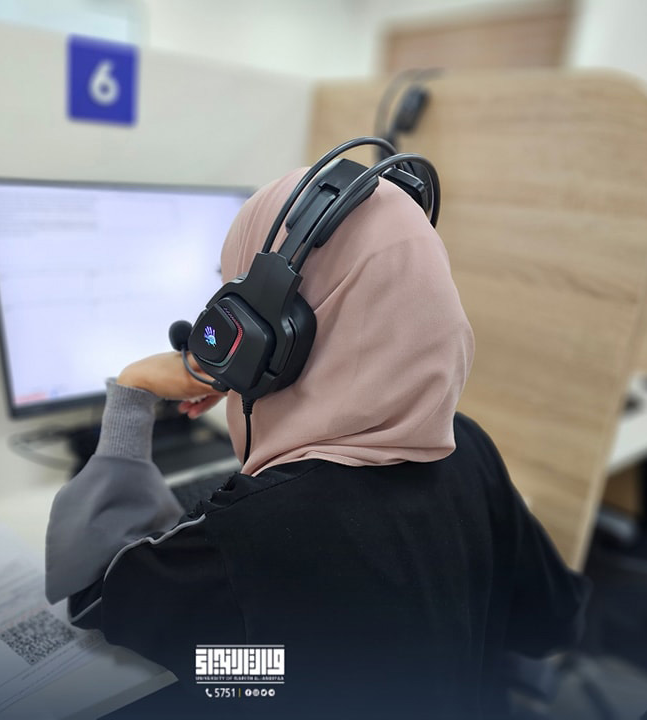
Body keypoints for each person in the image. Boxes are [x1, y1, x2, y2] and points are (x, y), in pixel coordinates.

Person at [45, 165, 590, 719]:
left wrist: (134, 390)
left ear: (265, 335)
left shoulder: (250, 531)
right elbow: (551, 622)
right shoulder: (466, 447)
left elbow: (91, 596)